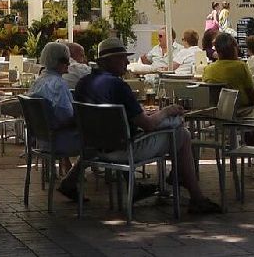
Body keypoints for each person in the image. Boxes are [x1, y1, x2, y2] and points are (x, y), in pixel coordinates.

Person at [61, 37, 222, 214]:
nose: (127, 62)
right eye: (123, 58)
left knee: (126, 131)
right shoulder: (118, 86)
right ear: (110, 61)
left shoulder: (83, 83)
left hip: (94, 148)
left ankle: (176, 176)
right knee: (182, 134)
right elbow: (148, 126)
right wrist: (167, 111)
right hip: (124, 150)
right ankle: (195, 196)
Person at [27, 41, 81, 161]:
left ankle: (70, 173)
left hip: (41, 140)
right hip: (60, 141)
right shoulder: (58, 84)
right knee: (96, 142)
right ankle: (76, 176)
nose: (68, 64)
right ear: (58, 62)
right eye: (66, 60)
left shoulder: (38, 82)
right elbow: (66, 115)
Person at [201, 32, 254, 110]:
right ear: (234, 48)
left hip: (216, 112)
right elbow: (251, 94)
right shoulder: (240, 66)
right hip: (241, 110)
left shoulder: (208, 69)